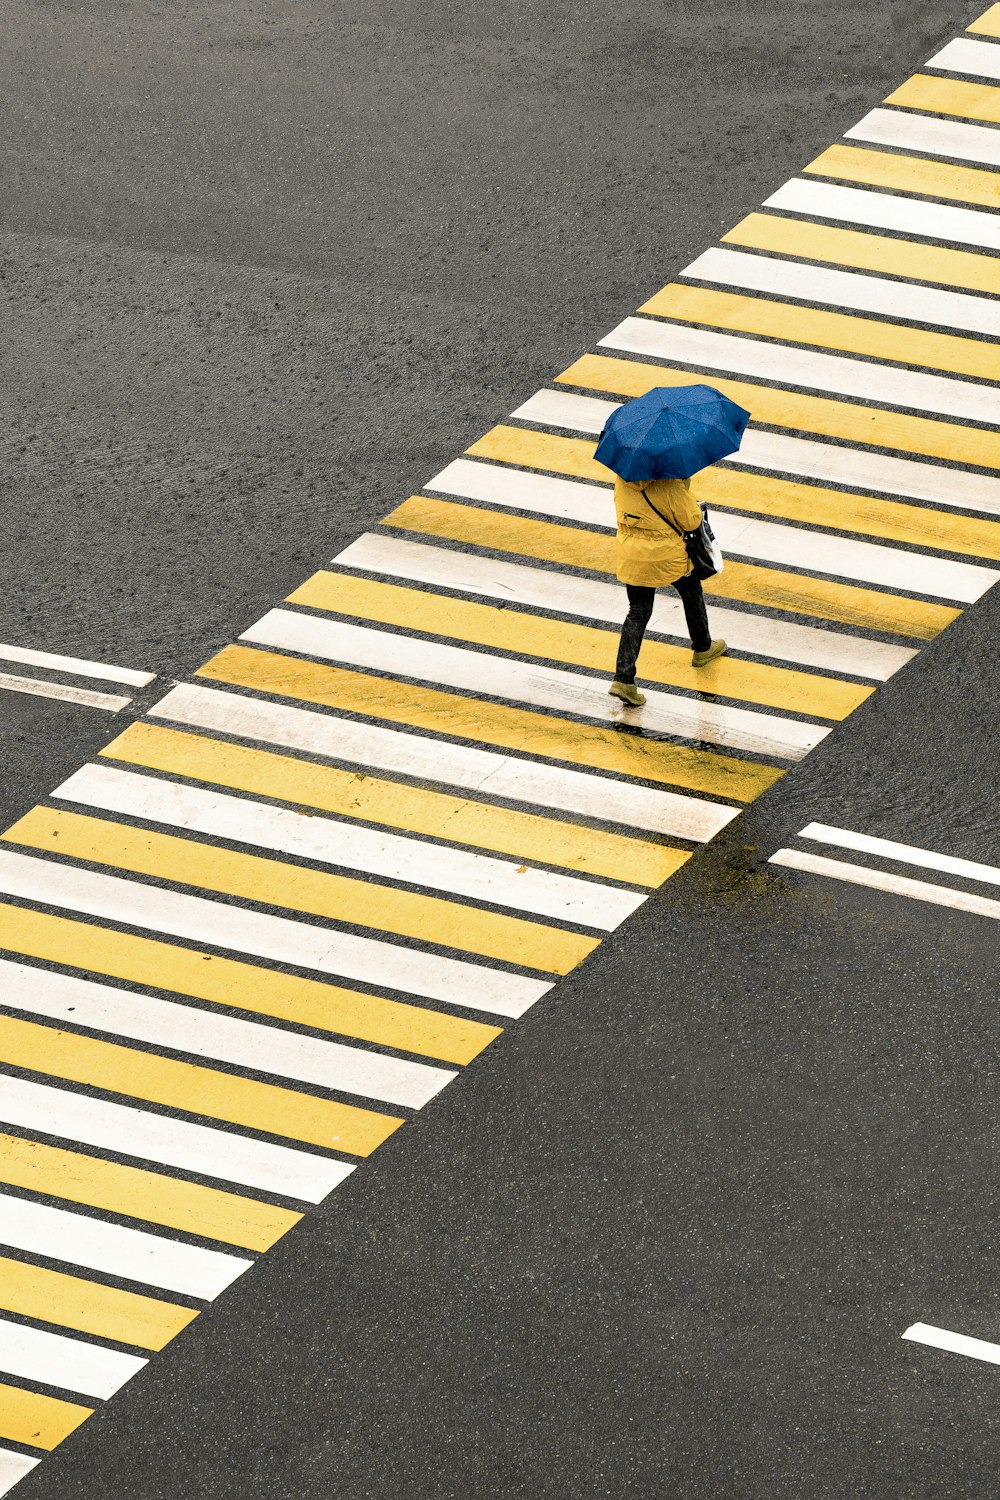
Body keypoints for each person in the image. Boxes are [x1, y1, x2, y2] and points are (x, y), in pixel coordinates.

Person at [608, 472, 726, 707]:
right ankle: (703, 648)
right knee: (691, 589)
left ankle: (623, 679)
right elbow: (691, 520)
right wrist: (684, 487)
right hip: (668, 558)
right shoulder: (670, 484)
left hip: (633, 556)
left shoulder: (623, 480)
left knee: (638, 611)